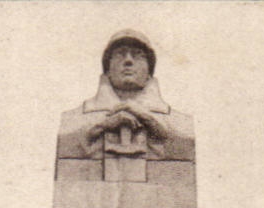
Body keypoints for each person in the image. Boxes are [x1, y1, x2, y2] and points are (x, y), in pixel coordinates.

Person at [58, 30, 194, 161]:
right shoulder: (76, 117)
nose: (128, 61)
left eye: (138, 55)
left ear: (149, 73)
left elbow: (185, 146)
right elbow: (67, 144)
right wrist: (102, 125)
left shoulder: (178, 121)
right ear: (108, 70)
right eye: (120, 54)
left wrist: (147, 118)